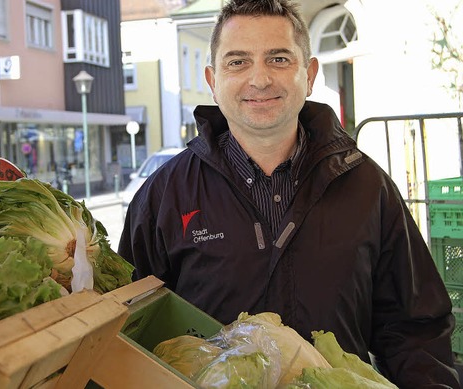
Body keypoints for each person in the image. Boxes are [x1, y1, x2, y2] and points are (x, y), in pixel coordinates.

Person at [117, 0, 460, 387]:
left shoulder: (367, 186)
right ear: (213, 81)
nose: (259, 79)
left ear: (309, 74)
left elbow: (414, 329)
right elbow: (130, 327)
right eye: (237, 61)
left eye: (279, 59)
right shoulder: (165, 195)